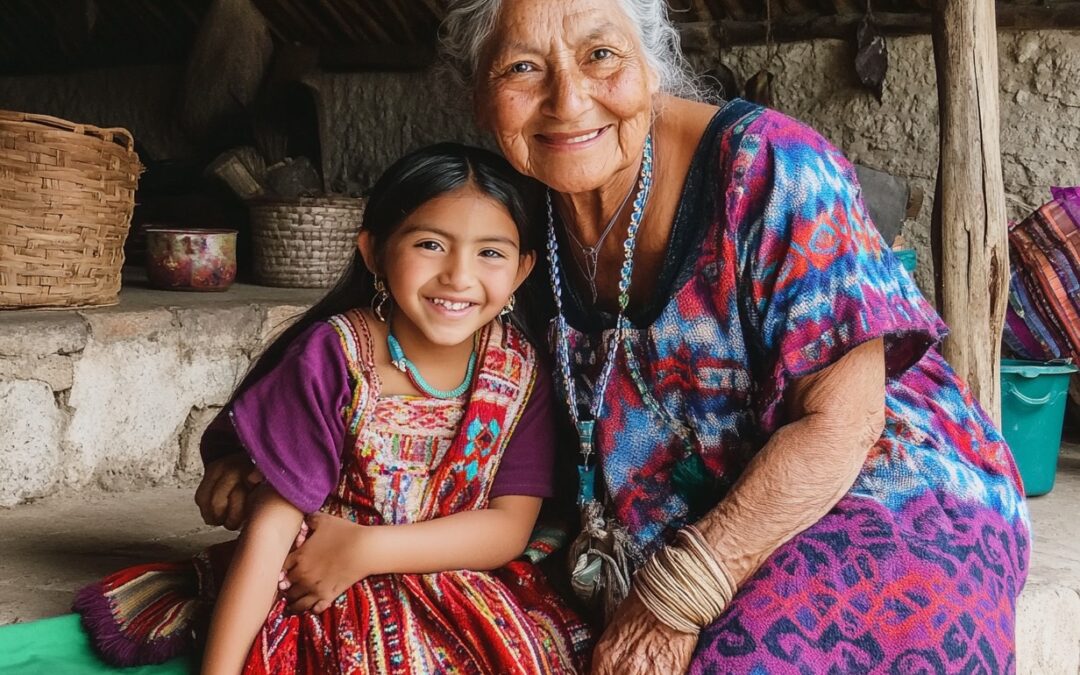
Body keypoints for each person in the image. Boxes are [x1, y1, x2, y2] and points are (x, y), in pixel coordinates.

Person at [200, 2, 1029, 673]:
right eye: (523, 68)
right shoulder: (518, 214)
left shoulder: (772, 167)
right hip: (649, 516)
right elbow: (384, 332)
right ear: (480, 95)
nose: (568, 100)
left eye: (601, 56)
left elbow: (843, 424)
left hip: (872, 485)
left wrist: (677, 596)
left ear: (652, 63)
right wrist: (261, 447)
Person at [75, 143, 590, 674]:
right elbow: (272, 526)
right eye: (431, 244)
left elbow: (507, 528)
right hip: (316, 582)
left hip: (458, 575)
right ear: (374, 252)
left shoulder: (521, 372)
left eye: (491, 252)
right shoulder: (332, 357)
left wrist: (367, 550)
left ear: (523, 268)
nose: (459, 275)